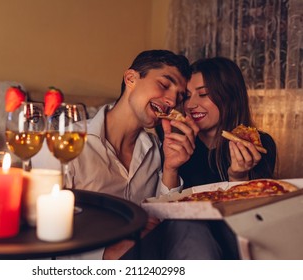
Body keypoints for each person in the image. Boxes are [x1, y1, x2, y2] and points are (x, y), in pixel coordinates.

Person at [32, 50, 223, 259]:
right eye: (164, 85)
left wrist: (171, 168)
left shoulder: (154, 149)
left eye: (179, 96)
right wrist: (105, 253)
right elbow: (38, 234)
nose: (171, 100)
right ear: (131, 78)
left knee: (191, 226)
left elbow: (163, 220)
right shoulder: (61, 145)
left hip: (148, 256)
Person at [156, 57, 277, 259]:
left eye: (203, 94)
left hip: (237, 239)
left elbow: (257, 224)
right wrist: (171, 168)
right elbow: (166, 214)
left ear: (228, 96)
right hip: (188, 243)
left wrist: (238, 179)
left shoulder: (259, 144)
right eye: (186, 96)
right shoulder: (175, 144)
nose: (191, 105)